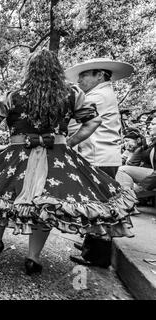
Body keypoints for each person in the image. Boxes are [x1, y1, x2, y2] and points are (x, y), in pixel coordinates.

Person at [0, 49, 136, 276]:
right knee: (47, 207)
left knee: (2, 195)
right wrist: (69, 142)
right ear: (56, 69)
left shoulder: (14, 95)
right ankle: (33, 258)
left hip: (17, 155)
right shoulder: (72, 93)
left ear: (29, 70)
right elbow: (93, 121)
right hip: (57, 157)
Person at [66, 57, 135, 268]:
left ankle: (97, 255)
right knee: (96, 202)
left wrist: (66, 142)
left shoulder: (97, 96)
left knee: (97, 204)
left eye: (85, 75)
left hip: (98, 157)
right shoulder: (103, 93)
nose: (80, 80)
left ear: (100, 75)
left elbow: (75, 122)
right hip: (101, 156)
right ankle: (92, 243)